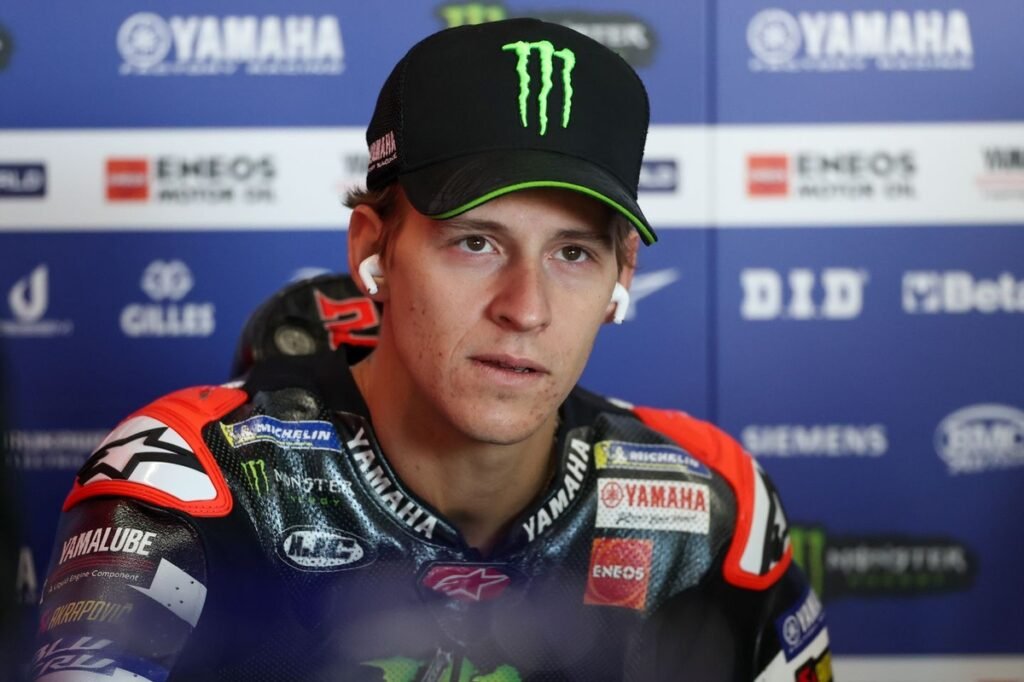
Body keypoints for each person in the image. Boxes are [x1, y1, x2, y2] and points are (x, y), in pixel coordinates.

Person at [31, 18, 831, 682]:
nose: (525, 309)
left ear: (623, 276)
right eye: (476, 242)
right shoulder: (190, 483)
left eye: (573, 253)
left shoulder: (710, 507)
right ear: (371, 248)